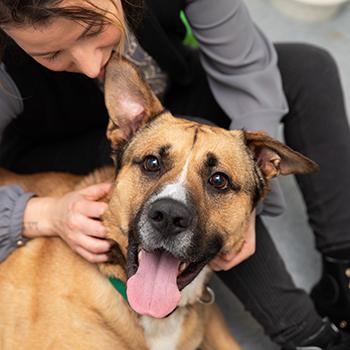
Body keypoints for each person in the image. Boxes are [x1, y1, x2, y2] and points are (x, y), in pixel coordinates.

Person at [0, 0, 349, 349]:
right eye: (51, 54)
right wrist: (38, 214)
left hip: (162, 99)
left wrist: (247, 177)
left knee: (308, 67)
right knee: (205, 134)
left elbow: (247, 66)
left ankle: (344, 274)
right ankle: (305, 334)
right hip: (63, 140)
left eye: (92, 30)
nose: (92, 66)